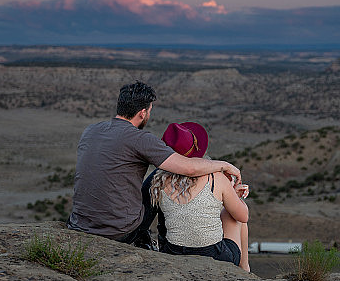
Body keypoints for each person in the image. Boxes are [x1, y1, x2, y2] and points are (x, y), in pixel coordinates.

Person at [67, 81, 241, 247]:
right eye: (149, 111)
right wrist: (225, 165)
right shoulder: (140, 139)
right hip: (119, 232)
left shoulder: (90, 130)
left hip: (79, 224)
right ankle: (167, 244)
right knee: (163, 174)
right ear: (142, 113)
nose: (149, 115)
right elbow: (189, 168)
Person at [149, 121, 251, 272]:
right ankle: (244, 269)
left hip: (174, 253)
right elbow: (243, 216)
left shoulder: (158, 182)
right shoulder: (216, 178)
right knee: (234, 216)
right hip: (215, 256)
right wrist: (236, 197)